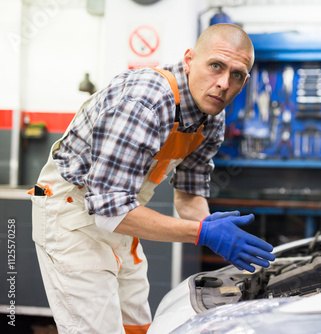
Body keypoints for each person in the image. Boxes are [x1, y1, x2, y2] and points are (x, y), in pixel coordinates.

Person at [30, 23, 275, 334]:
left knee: (138, 325)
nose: (223, 83)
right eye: (216, 66)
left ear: (246, 80)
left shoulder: (212, 117)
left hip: (120, 215)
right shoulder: (145, 100)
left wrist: (214, 230)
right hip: (71, 215)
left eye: (236, 75)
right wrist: (202, 234)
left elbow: (187, 195)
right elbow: (110, 211)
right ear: (189, 60)